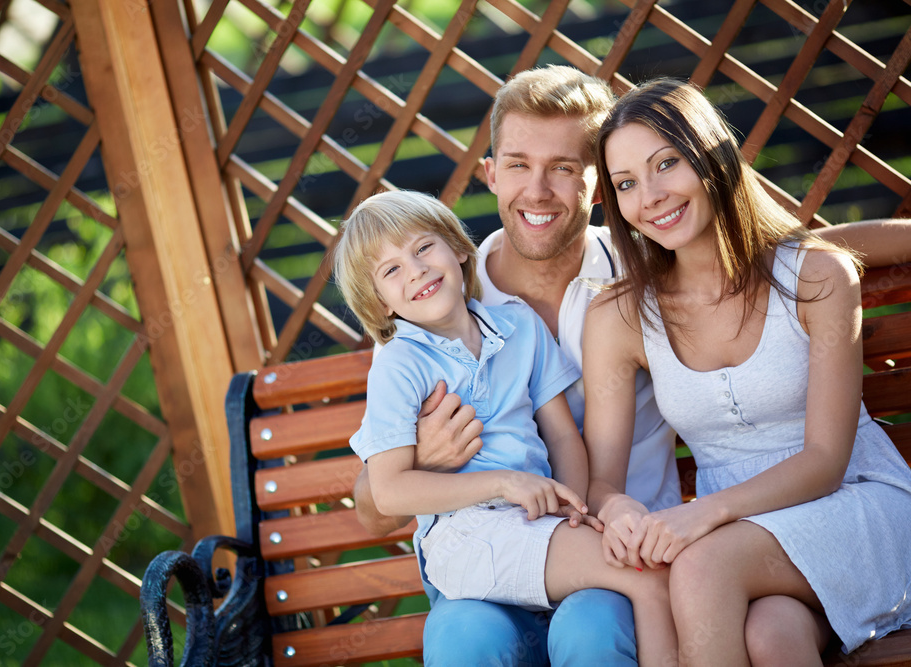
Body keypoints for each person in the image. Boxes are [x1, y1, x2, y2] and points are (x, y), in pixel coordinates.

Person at [354, 64, 911, 666]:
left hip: (639, 552)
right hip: (502, 551)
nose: (537, 190)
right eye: (518, 164)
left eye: (563, 168)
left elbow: (774, 252)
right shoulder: (429, 307)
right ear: (491, 174)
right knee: (464, 640)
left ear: (594, 189)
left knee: (598, 632)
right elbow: (373, 506)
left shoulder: (638, 271)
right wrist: (431, 460)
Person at [583, 77, 911, 665]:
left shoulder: (815, 277)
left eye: (667, 164)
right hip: (745, 546)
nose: (651, 195)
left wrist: (701, 514)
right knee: (771, 637)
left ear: (712, 156)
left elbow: (826, 461)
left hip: (854, 508)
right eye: (627, 184)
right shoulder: (619, 315)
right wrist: (619, 509)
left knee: (700, 565)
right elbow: (602, 482)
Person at [334, 189, 678, 667]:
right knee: (646, 577)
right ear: (380, 304)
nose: (414, 270)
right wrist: (504, 482)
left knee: (633, 587)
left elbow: (561, 436)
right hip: (469, 534)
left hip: (537, 524)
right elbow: (388, 494)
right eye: (391, 270)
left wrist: (572, 508)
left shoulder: (519, 326)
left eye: (423, 248)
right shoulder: (398, 364)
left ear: (457, 248)